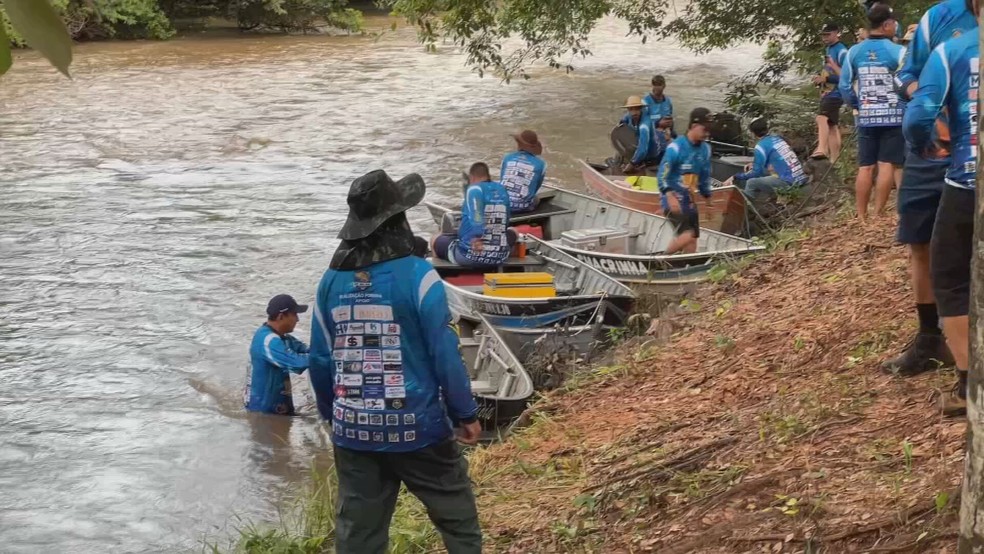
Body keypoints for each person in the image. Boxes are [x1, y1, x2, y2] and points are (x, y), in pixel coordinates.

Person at [308, 169, 483, 553]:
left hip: (354, 431)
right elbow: (444, 353)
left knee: (359, 533)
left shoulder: (330, 282)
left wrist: (333, 414)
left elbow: (320, 359)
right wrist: (465, 414)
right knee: (457, 519)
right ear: (397, 220)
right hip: (418, 427)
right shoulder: (419, 276)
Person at [881, 0, 975, 376]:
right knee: (921, 241)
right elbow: (904, 74)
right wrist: (932, 92)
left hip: (968, 158)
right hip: (934, 149)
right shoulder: (938, 18)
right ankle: (930, 339)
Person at [903, 9, 978, 417]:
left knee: (949, 275)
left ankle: (969, 385)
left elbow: (919, 112)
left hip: (967, 177)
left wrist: (925, 146)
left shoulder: (953, 48)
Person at [838, 3, 906, 220]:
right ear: (886, 25)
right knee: (887, 163)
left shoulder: (853, 52)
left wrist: (857, 105)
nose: (895, 26)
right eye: (894, 23)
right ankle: (877, 213)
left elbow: (845, 85)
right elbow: (907, 81)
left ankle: (861, 215)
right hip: (893, 115)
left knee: (865, 166)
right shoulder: (898, 51)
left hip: (866, 117)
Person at [431, 162, 516, 267]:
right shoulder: (502, 189)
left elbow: (477, 222)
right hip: (499, 257)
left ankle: (443, 274)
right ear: (488, 176)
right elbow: (506, 222)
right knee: (514, 232)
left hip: (470, 255)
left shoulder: (474, 189)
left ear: (471, 177)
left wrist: (477, 238)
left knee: (435, 239)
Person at [658, 108, 716, 255]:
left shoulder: (705, 149)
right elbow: (662, 175)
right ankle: (661, 261)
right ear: (694, 126)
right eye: (705, 129)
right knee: (687, 234)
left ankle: (685, 264)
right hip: (673, 199)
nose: (707, 134)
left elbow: (704, 177)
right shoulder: (676, 148)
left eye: (709, 130)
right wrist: (669, 196)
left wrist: (708, 201)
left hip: (690, 199)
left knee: (694, 237)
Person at [244, 294, 310, 415]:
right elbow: (298, 363)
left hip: (277, 410)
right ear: (281, 316)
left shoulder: (281, 337)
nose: (297, 319)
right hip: (263, 415)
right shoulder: (268, 341)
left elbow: (305, 349)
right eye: (294, 314)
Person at [723, 118, 807, 201]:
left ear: (753, 134)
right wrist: (754, 164)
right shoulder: (777, 139)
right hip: (799, 177)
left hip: (790, 182)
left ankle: (747, 208)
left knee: (751, 183)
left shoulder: (761, 146)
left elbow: (756, 172)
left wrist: (735, 176)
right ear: (767, 129)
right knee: (756, 173)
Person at [810, 22, 849, 162]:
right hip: (828, 92)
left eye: (828, 34)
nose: (824, 38)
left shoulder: (842, 51)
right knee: (832, 126)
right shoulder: (829, 49)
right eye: (823, 35)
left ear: (836, 33)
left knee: (821, 118)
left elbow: (846, 75)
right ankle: (835, 160)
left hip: (837, 92)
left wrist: (826, 78)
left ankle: (822, 148)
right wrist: (820, 79)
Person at [500, 130, 547, 213]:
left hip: (503, 204)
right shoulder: (541, 164)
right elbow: (535, 188)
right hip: (524, 207)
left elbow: (502, 181)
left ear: (518, 144)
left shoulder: (507, 158)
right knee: (536, 199)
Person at [620, 95, 663, 174]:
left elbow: (643, 150)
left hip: (651, 155)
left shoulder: (644, 126)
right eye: (631, 109)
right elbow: (623, 122)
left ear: (641, 109)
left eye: (637, 109)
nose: (634, 112)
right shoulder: (629, 116)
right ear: (628, 110)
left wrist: (631, 164)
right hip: (638, 146)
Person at [644, 75, 674, 141]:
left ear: (664, 86)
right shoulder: (646, 101)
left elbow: (670, 116)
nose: (656, 87)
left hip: (666, 131)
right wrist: (657, 123)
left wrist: (670, 125)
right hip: (651, 132)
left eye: (659, 85)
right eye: (655, 85)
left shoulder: (668, 101)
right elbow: (642, 122)